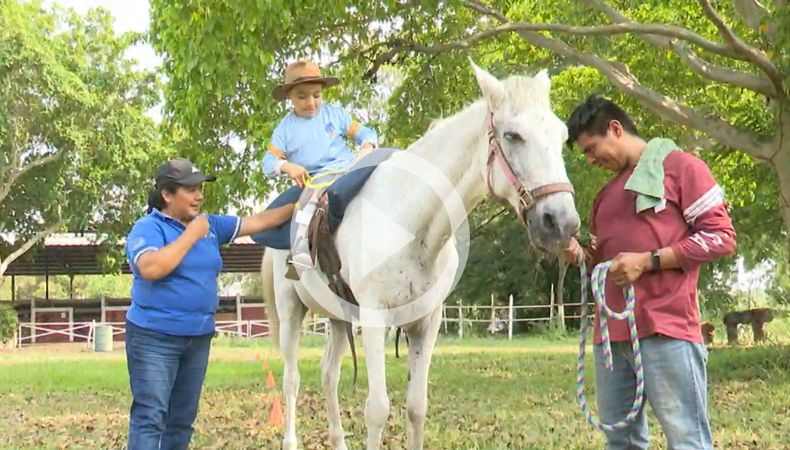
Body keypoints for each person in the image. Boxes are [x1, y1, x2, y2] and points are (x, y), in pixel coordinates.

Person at [563, 96, 736, 450]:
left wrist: (648, 260)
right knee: (620, 442)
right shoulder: (605, 196)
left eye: (592, 149)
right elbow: (603, 263)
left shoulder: (683, 168)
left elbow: (721, 237)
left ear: (615, 129)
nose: (591, 160)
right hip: (610, 339)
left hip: (666, 330)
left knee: (687, 438)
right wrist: (576, 254)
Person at [124, 158, 294, 449]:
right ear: (167, 194)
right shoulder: (148, 228)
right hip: (154, 338)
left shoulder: (211, 224)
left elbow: (262, 221)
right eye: (190, 190)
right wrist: (191, 235)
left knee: (182, 420)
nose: (199, 196)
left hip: (197, 337)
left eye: (200, 189)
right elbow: (151, 268)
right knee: (151, 416)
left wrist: (306, 200)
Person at [254, 60, 379, 250]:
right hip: (312, 184)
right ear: (290, 97)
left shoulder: (335, 114)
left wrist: (367, 146)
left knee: (388, 163)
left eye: (317, 95)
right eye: (302, 96)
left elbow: (366, 133)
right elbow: (268, 162)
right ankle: (303, 252)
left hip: (348, 172)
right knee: (260, 229)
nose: (311, 103)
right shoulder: (284, 130)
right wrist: (288, 166)